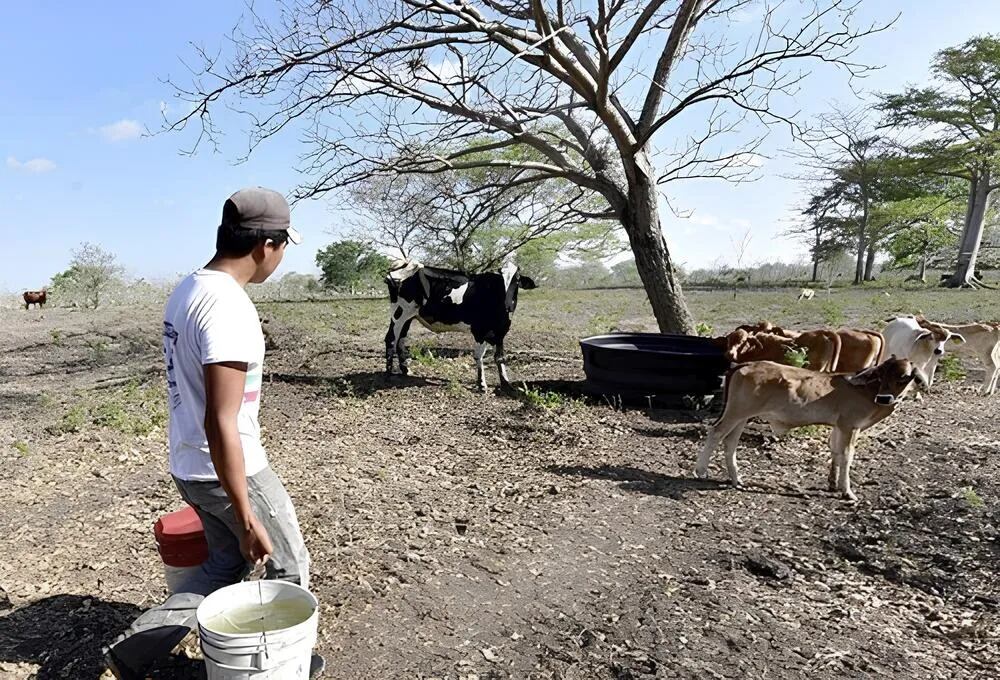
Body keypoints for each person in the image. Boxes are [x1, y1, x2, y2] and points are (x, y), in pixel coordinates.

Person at [104, 187, 320, 678]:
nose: (281, 258)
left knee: (223, 566)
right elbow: (221, 419)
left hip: (190, 464)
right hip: (229, 469)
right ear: (266, 245)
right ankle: (278, 666)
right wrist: (246, 514)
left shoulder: (189, 289)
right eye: (284, 247)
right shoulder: (228, 307)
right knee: (289, 567)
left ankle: (133, 651)